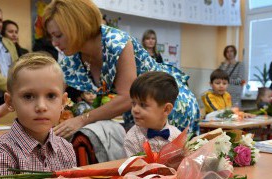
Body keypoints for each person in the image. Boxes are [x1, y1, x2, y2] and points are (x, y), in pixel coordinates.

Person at [43, 0, 200, 139]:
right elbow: (52, 91)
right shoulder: (73, 58)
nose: (54, 43)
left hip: (167, 106)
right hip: (141, 114)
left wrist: (82, 119)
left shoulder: (115, 41)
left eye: (58, 35)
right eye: (51, 37)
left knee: (172, 165)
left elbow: (127, 98)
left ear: (76, 27)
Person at [0, 53, 77, 177]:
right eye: (28, 96)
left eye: (51, 96)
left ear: (63, 102)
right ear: (10, 102)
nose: (41, 106)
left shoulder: (66, 149)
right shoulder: (1, 154)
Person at [123, 71, 181, 157]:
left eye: (143, 105)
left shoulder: (176, 136)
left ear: (166, 109)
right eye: (133, 103)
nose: (135, 109)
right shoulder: (132, 139)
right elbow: (133, 168)